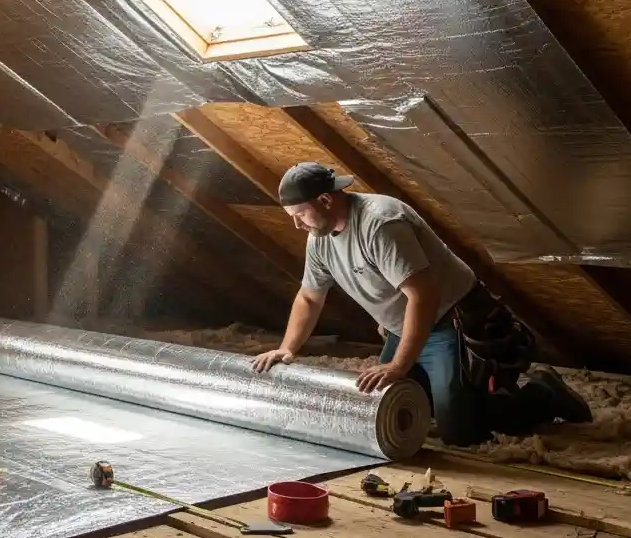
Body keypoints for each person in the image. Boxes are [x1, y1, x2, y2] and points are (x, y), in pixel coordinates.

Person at [250, 162, 592, 446]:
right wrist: (287, 348)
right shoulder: (319, 239)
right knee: (380, 405)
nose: (297, 225)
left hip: (451, 319)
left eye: (300, 214)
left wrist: (399, 366)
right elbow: (310, 296)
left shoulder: (380, 223)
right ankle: (445, 391)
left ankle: (543, 394)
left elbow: (423, 295)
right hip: (406, 326)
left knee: (461, 432)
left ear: (325, 200)